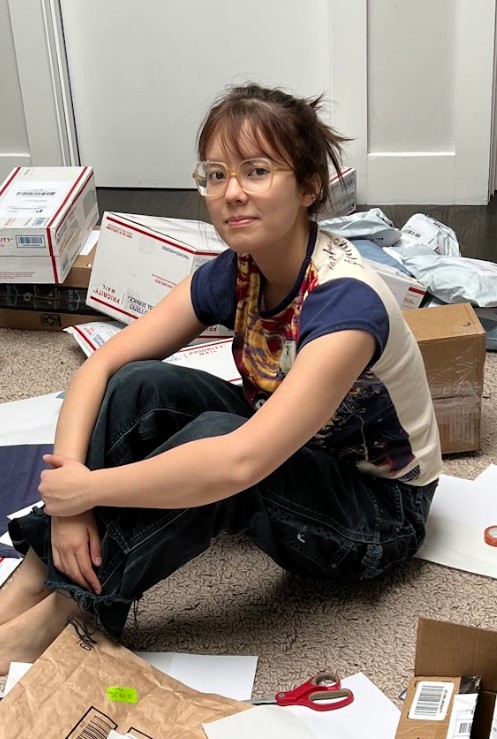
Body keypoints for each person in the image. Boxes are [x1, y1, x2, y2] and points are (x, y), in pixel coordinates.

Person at [0, 83, 442, 675]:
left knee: (217, 444)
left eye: (257, 171)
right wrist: (69, 505)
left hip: (376, 513)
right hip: (287, 446)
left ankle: (70, 610)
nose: (231, 193)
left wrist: (93, 491)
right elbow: (104, 366)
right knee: (142, 385)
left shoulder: (345, 306)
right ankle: (35, 572)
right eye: (215, 175)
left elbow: (240, 462)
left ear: (309, 187)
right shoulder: (240, 270)